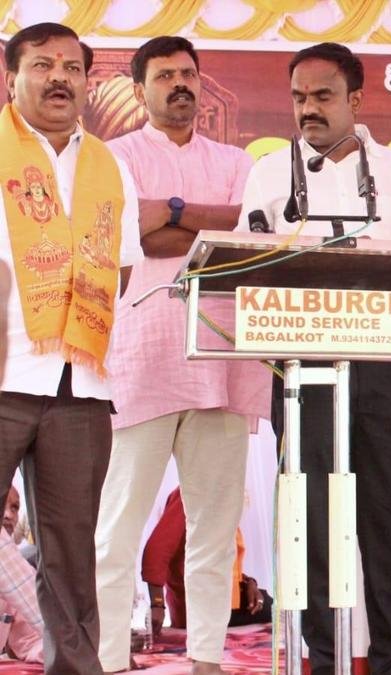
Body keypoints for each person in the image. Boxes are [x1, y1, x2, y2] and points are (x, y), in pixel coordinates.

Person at [237, 42, 391, 675]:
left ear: (355, 99)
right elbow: (246, 265)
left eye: (323, 96)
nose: (308, 109)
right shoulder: (269, 172)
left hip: (383, 367)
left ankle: (390, 660)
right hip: (303, 370)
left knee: (383, 522)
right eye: (299, 97)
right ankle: (324, 662)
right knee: (314, 526)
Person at [94, 35, 270, 675]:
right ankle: (108, 658)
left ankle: (206, 658)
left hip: (221, 359)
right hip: (140, 359)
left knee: (214, 528)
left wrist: (167, 213)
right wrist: (201, 223)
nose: (180, 85)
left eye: (189, 74)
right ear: (139, 88)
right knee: (117, 526)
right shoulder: (113, 157)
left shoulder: (238, 161)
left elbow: (245, 236)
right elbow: (130, 237)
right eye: (165, 75)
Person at [0, 22, 143, 675]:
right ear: (12, 77)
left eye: (72, 67)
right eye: (42, 64)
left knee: (71, 556)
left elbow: (124, 268)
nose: (59, 77)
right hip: (5, 372)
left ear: (87, 81)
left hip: (79, 385)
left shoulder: (110, 166)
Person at [142, 487, 272, 638]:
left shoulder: (222, 497)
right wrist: (157, 603)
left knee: (270, 605)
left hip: (223, 601)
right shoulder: (190, 492)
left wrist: (249, 583)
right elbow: (157, 549)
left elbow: (222, 563)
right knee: (275, 609)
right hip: (200, 609)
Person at [0, 487, 44, 664]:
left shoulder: (19, 573)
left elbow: (30, 641)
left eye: (14, 508)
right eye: (1, 505)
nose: (8, 515)